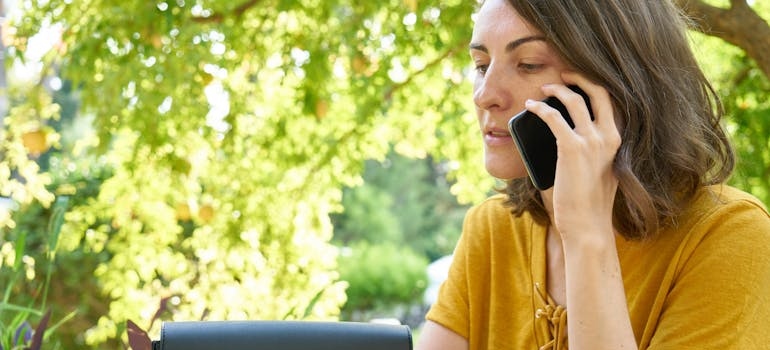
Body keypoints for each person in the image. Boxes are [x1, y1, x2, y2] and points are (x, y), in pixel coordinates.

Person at [416, 0, 770, 349]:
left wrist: (586, 233)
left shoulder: (732, 236)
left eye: (528, 64)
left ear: (618, 82)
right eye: (481, 64)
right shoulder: (492, 228)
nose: (484, 95)